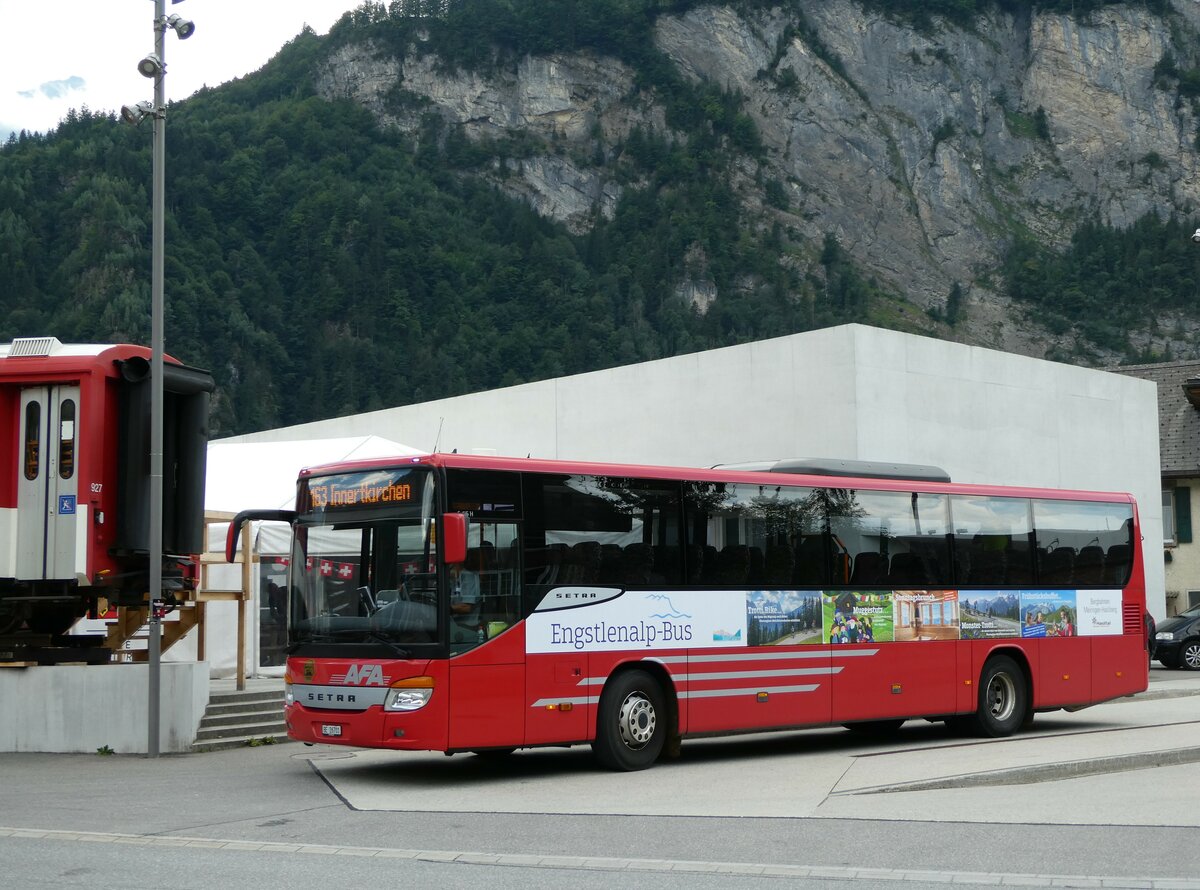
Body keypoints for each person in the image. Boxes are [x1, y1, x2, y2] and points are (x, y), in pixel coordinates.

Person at [449, 552, 481, 642]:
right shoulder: (455, 579)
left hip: (467, 626)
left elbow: (466, 607)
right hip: (456, 623)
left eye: (450, 567)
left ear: (456, 564)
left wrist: (448, 609)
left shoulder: (467, 577)